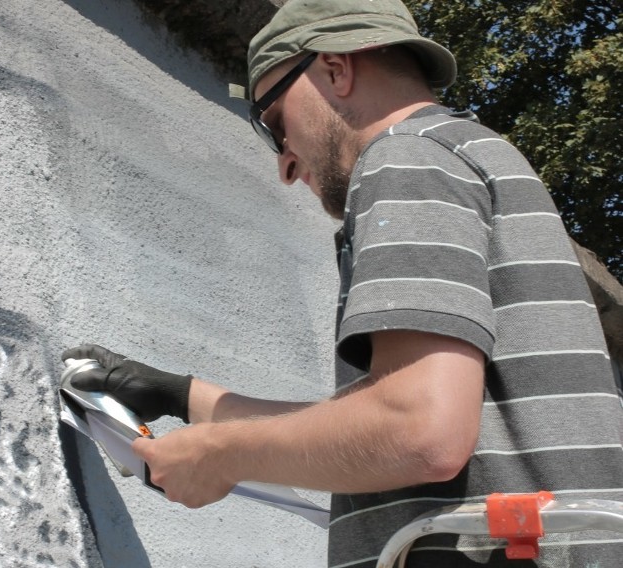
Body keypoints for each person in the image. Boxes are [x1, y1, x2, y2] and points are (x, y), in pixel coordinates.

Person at [62, 0, 623, 566]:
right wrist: (186, 399)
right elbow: (393, 419)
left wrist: (220, 453)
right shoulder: (464, 157)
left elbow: (418, 432)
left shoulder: (406, 158)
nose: (283, 164)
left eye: (273, 122)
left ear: (335, 69)